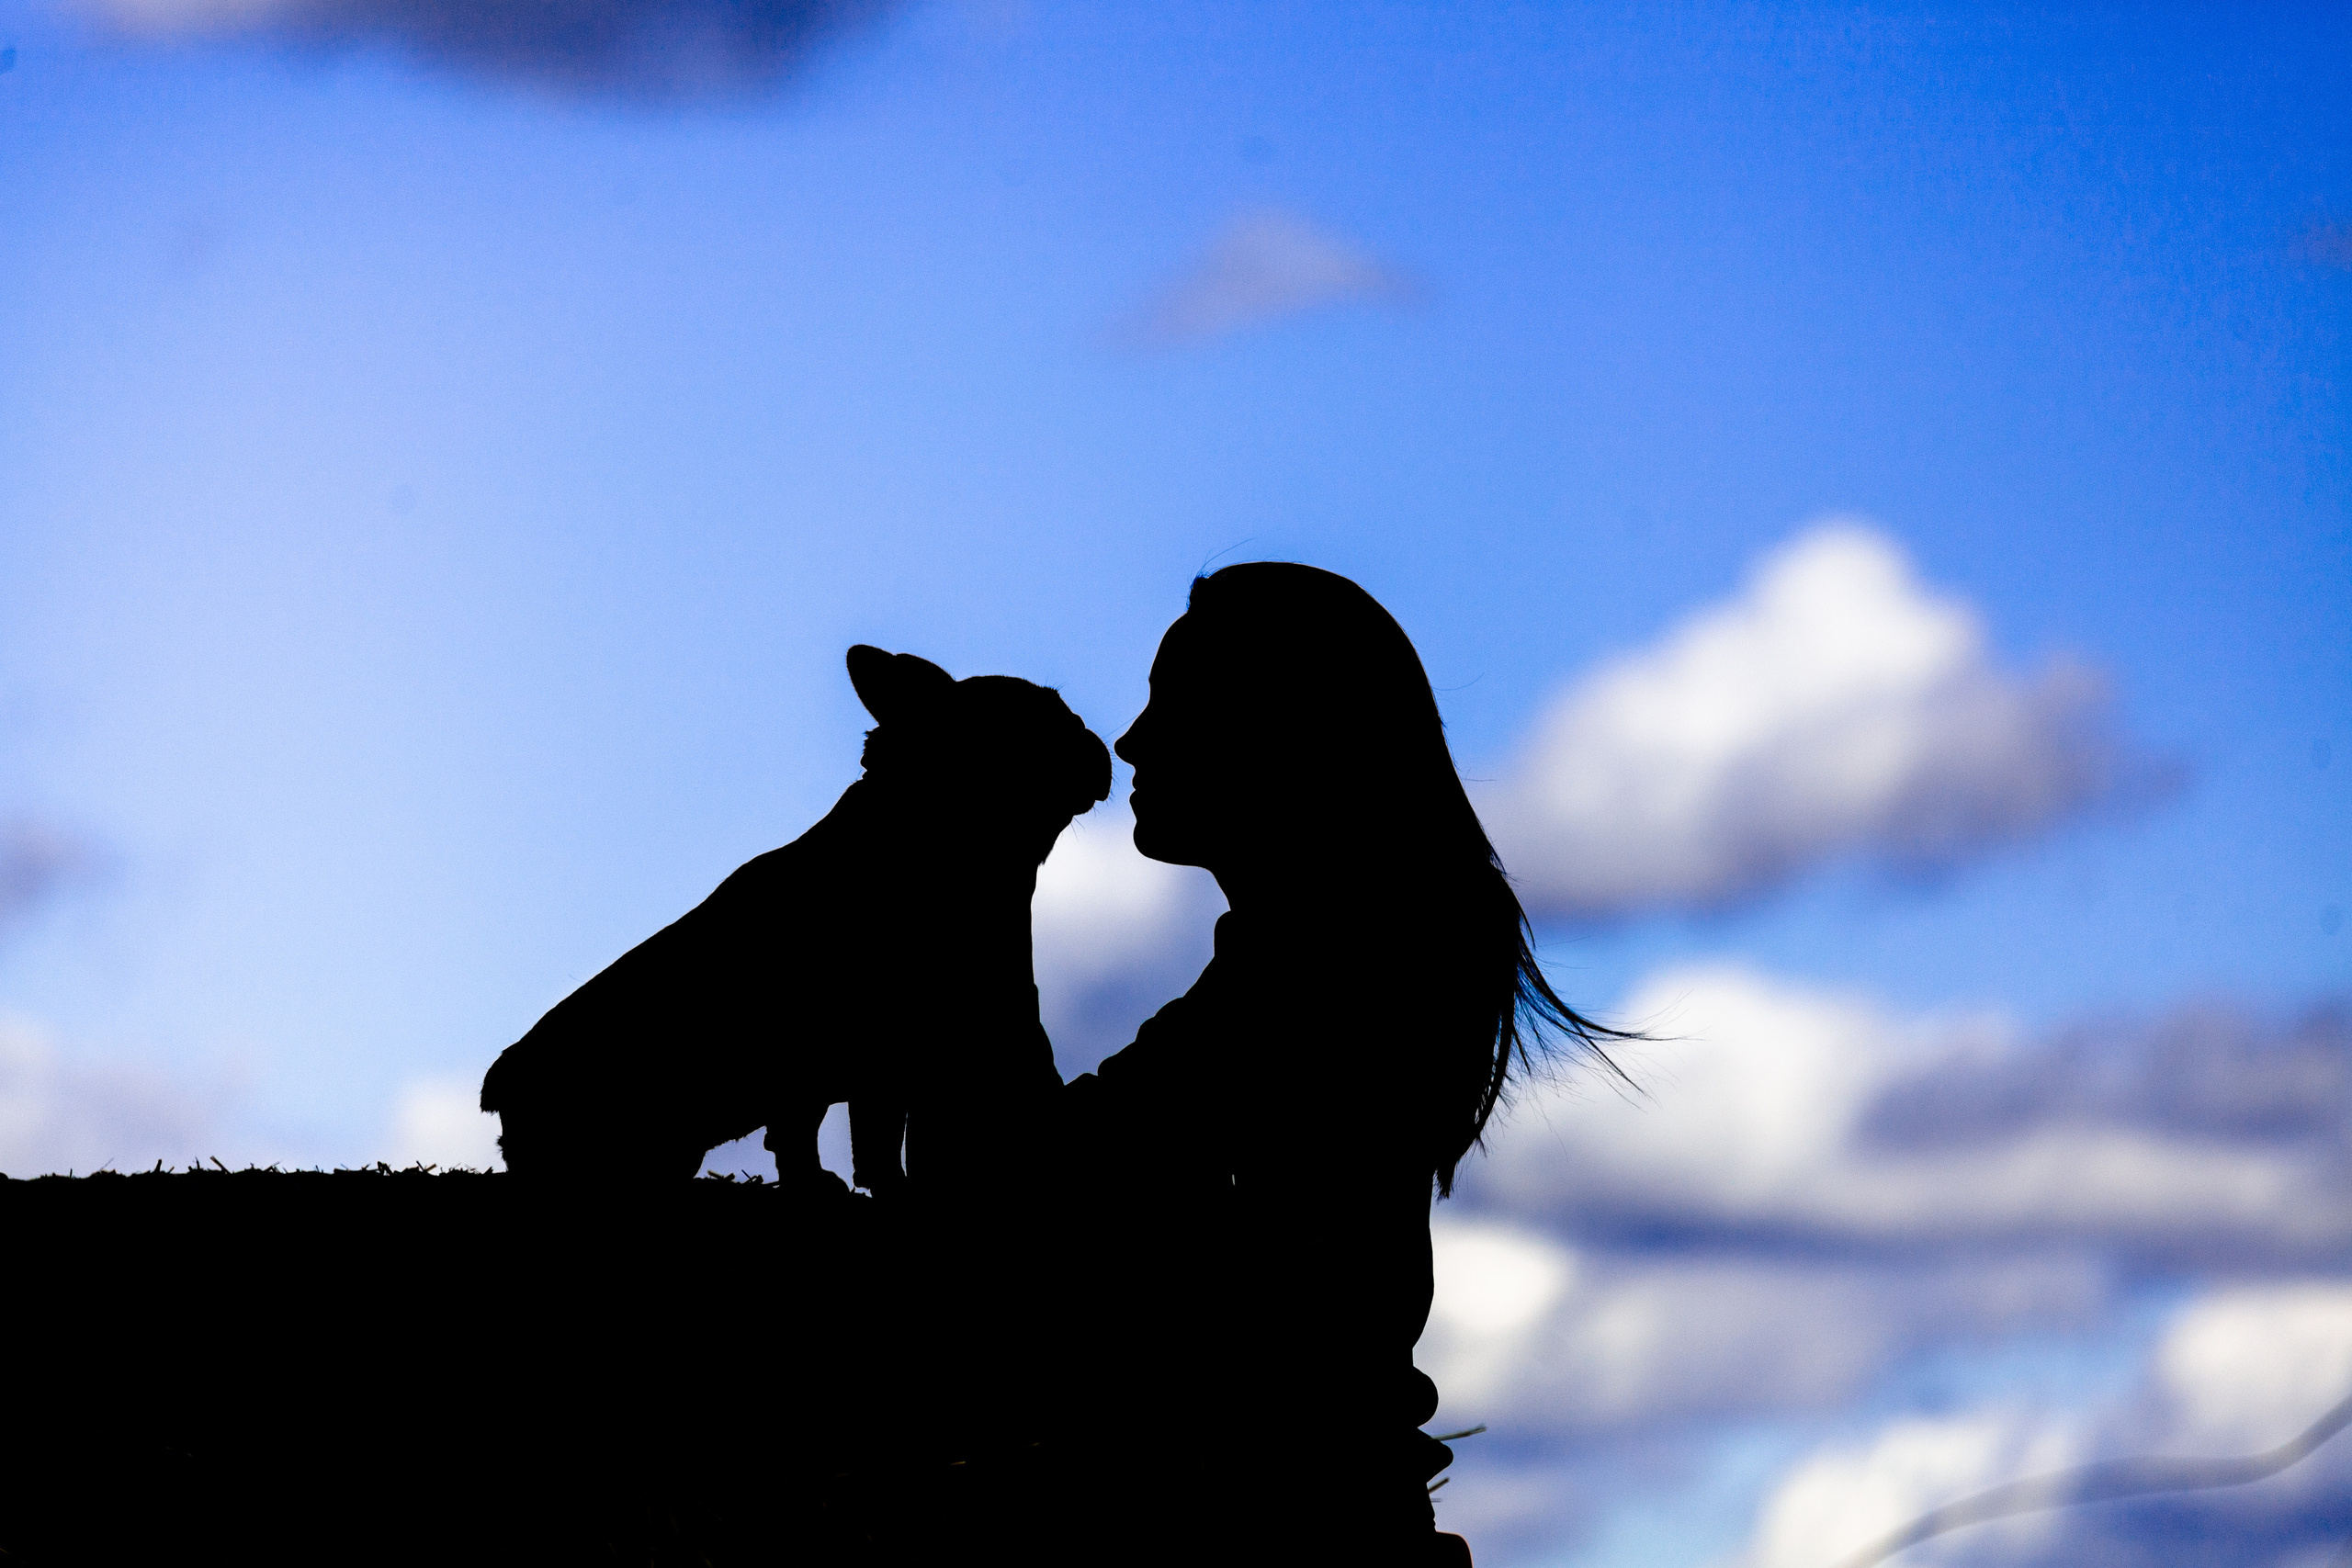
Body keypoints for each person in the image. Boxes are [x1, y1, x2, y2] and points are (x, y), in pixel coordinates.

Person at [1034, 563, 1630, 1567]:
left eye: (1173, 706)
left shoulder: (1310, 986)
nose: (1131, 741)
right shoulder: (1319, 971)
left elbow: (1052, 1181)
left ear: (1276, 738)